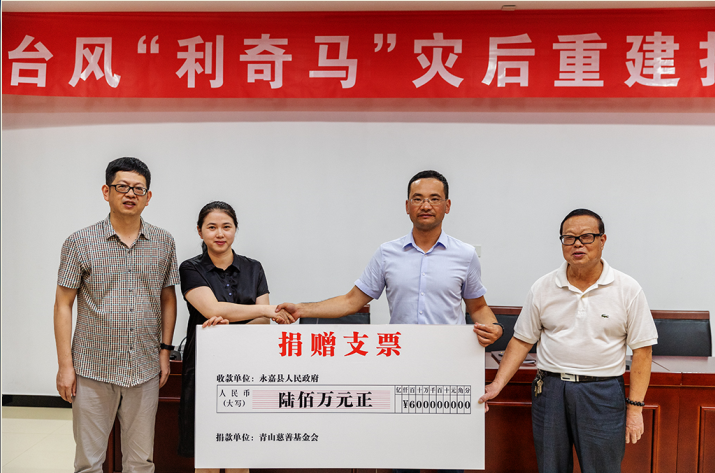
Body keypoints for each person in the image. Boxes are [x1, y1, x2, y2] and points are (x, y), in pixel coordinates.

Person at [276, 170, 503, 473]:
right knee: (403, 458)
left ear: (447, 206)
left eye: (434, 199)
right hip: (400, 368)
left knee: (449, 458)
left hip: (449, 370)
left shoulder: (465, 255)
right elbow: (352, 301)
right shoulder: (387, 253)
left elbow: (479, 307)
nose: (426, 205)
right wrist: (302, 308)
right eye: (418, 199)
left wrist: (494, 327)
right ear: (407, 206)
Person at [478, 209, 658, 473]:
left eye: (586, 237)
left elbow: (643, 351)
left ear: (602, 240)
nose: (577, 244)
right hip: (551, 391)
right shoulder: (543, 287)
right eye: (569, 238)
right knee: (551, 467)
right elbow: (522, 341)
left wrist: (635, 409)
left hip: (602, 392)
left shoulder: (627, 289)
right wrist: (497, 384)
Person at [54, 157, 179, 473]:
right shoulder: (79, 242)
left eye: (139, 189)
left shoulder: (164, 242)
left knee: (141, 461)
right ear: (106, 191)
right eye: (122, 186)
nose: (130, 194)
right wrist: (65, 366)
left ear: (148, 197)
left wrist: (165, 352)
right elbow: (62, 305)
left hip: (145, 367)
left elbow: (168, 298)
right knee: (89, 461)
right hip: (92, 367)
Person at [177, 201, 291, 473]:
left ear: (235, 230)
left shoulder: (254, 268)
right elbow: (212, 309)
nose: (220, 233)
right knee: (208, 452)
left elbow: (264, 322)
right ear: (200, 231)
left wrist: (229, 325)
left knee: (240, 450)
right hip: (204, 365)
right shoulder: (190, 268)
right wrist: (263, 310)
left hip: (246, 365)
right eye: (212, 227)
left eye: (226, 227)